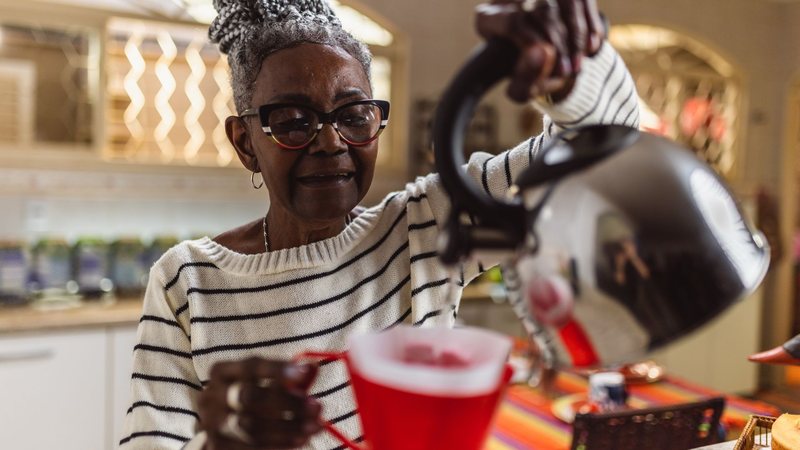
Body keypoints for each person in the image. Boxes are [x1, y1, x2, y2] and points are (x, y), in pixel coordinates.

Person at [119, 0, 640, 448]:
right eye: (293, 120)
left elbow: (600, 148)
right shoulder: (187, 283)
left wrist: (577, 68)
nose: (330, 142)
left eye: (353, 114)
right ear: (244, 143)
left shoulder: (423, 228)